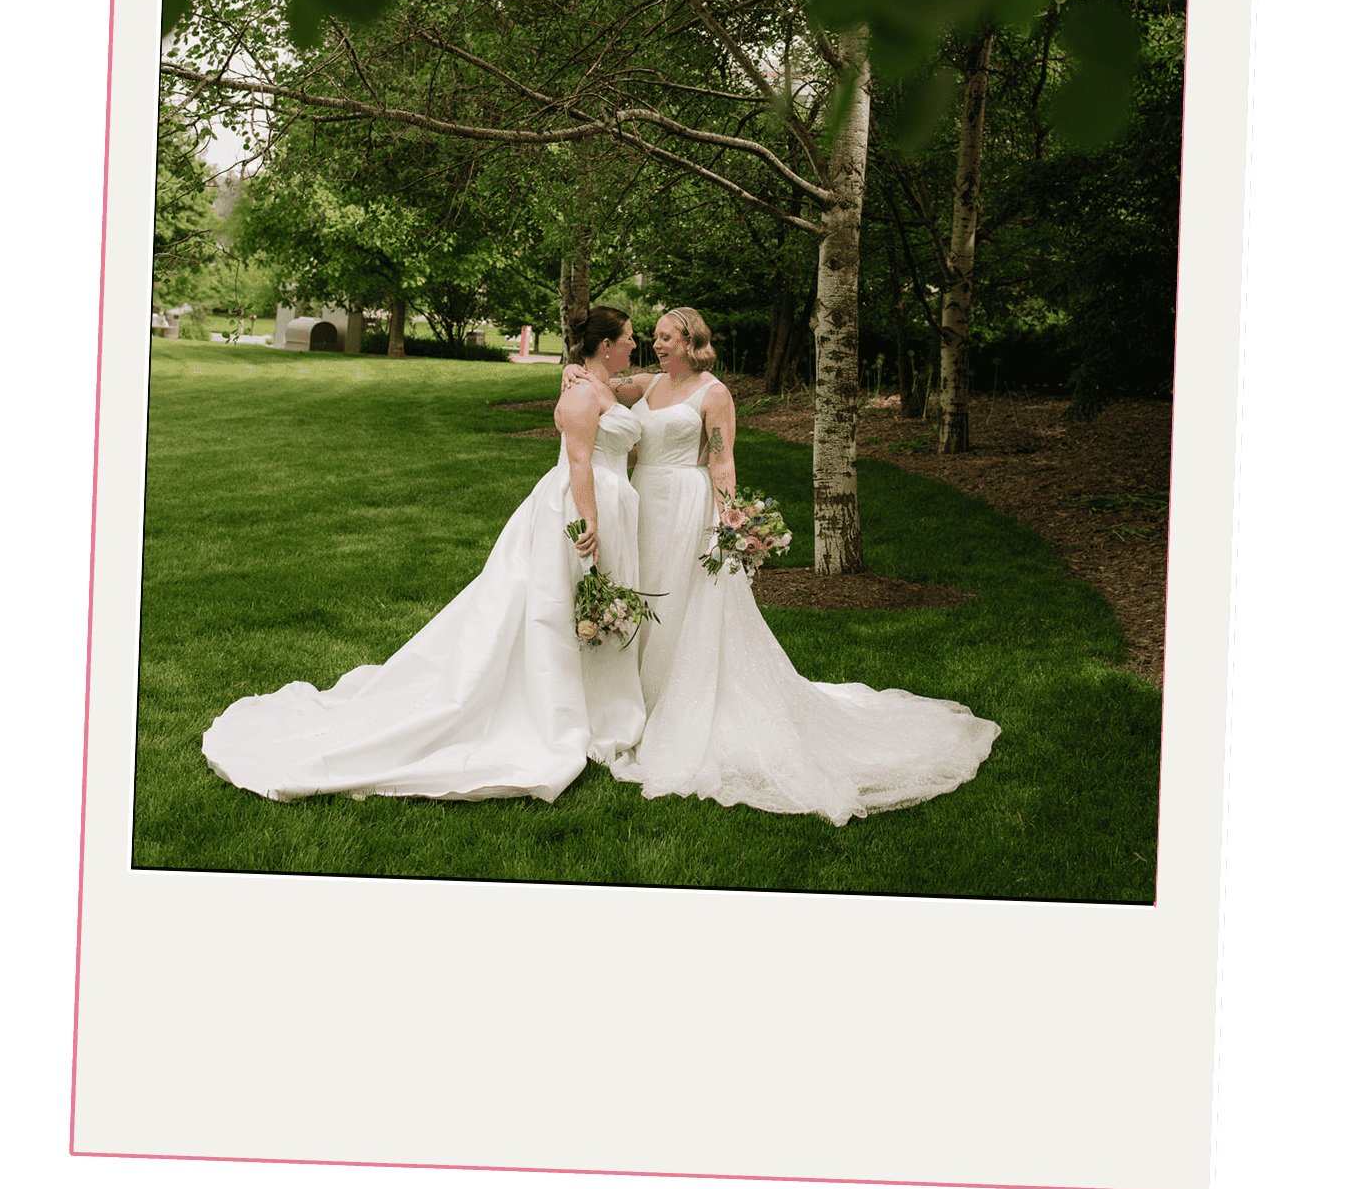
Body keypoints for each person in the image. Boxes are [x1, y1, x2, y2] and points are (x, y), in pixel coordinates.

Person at [563, 306, 1000, 827]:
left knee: (684, 601)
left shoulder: (714, 392)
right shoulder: (648, 385)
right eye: (652, 338)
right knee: (648, 594)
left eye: (665, 338)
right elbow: (599, 380)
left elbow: (722, 460)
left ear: (691, 342)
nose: (655, 345)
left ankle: (680, 707)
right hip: (644, 505)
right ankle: (635, 704)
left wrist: (729, 521)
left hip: (687, 505)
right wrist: (572, 369)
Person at [202, 308, 646, 804]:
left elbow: (639, 388)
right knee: (552, 607)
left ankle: (589, 703)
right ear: (606, 345)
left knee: (576, 606)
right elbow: (580, 458)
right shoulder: (584, 393)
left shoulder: (597, 383)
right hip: (580, 505)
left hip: (608, 499)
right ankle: (551, 711)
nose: (636, 342)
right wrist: (590, 519)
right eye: (628, 337)